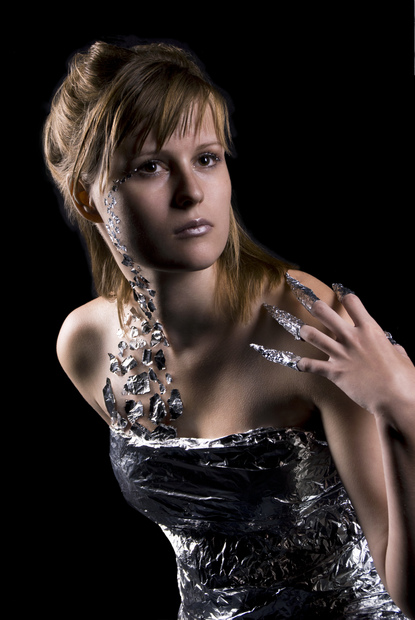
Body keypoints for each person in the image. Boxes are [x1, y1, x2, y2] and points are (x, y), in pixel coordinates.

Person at [43, 39, 415, 619]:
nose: (191, 192)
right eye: (149, 167)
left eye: (207, 158)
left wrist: (403, 410)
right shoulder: (86, 345)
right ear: (89, 200)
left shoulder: (305, 321)